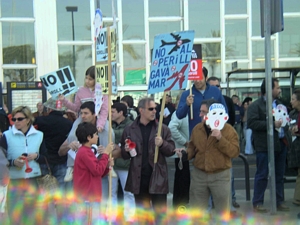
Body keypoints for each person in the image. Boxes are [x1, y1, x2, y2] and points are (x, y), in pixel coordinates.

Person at [177, 99, 239, 219]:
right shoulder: (197, 129)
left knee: (222, 213)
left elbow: (235, 152)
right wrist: (185, 154)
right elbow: (192, 148)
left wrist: (221, 139)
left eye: (203, 112)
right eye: (200, 111)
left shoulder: (228, 130)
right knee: (197, 212)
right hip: (199, 175)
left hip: (220, 175)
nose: (200, 114)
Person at [120, 97, 175, 224]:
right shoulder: (130, 129)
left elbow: (171, 150)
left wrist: (162, 144)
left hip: (157, 178)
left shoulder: (162, 128)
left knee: (160, 216)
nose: (154, 111)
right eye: (151, 109)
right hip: (139, 178)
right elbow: (124, 154)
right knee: (143, 217)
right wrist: (126, 149)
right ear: (141, 110)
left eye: (155, 109)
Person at [248, 78, 290, 212]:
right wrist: (270, 124)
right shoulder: (256, 106)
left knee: (279, 175)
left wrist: (288, 126)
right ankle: (258, 202)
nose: (279, 90)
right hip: (264, 146)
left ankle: (279, 201)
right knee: (262, 174)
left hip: (280, 144)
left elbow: (285, 121)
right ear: (269, 89)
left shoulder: (280, 104)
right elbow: (252, 123)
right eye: (277, 88)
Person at [0, 106, 47, 224]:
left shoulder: (39, 135)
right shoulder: (7, 135)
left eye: (19, 119)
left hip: (33, 180)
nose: (16, 122)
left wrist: (36, 156)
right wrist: (13, 162)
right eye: (14, 119)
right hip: (14, 181)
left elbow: (46, 158)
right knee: (15, 218)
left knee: (33, 216)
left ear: (28, 119)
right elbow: (1, 159)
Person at [207, 77, 240, 210]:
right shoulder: (205, 103)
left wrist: (224, 132)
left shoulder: (226, 100)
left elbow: (231, 116)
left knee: (228, 174)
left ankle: (231, 200)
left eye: (218, 85)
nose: (217, 88)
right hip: (209, 143)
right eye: (213, 86)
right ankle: (211, 203)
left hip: (223, 139)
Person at [73, 122, 114, 224]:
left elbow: (98, 172)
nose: (97, 136)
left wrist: (108, 166)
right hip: (87, 196)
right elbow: (97, 170)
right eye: (95, 134)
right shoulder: (84, 152)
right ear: (88, 137)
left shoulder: (86, 151)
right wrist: (105, 154)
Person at [176, 67, 227, 135]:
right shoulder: (187, 94)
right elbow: (179, 115)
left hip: (215, 134)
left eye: (200, 78)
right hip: (196, 135)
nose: (197, 81)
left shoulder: (215, 91)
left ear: (206, 78)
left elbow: (225, 111)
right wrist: (187, 104)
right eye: (195, 78)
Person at [59, 65, 108, 133]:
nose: (87, 81)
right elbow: (76, 108)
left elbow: (104, 110)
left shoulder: (103, 91)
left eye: (90, 79)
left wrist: (100, 124)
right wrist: (64, 100)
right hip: (83, 118)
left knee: (107, 132)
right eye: (86, 78)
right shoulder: (80, 91)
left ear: (96, 80)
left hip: (99, 118)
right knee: (73, 134)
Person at [111, 102, 135, 222]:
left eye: (113, 111)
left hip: (126, 164)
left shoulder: (131, 125)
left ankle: (129, 217)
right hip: (112, 164)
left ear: (121, 113)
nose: (111, 113)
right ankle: (112, 216)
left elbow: (132, 143)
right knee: (111, 192)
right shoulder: (109, 125)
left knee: (128, 193)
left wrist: (120, 148)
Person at [168, 92, 190, 211]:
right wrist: (185, 142)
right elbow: (172, 128)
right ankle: (180, 203)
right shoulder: (180, 114)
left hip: (187, 152)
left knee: (184, 178)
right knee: (182, 179)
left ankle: (182, 202)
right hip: (182, 152)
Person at [287, 89, 300, 206]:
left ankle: (297, 198)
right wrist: (292, 129)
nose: (291, 102)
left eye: (293, 99)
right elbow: (289, 126)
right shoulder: (292, 113)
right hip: (295, 148)